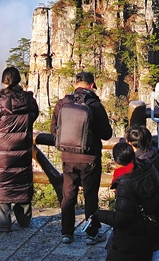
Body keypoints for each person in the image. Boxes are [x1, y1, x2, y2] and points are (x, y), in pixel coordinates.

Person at [51, 71, 113, 245]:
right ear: (92, 86)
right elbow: (107, 134)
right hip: (90, 158)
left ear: (75, 84)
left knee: (68, 196)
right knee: (90, 196)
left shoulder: (63, 103)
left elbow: (54, 130)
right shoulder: (94, 105)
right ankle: (91, 234)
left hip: (68, 158)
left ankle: (67, 233)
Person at [0, 67, 40, 232]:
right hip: (23, 147)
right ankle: (24, 219)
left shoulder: (0, 100)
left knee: (2, 182)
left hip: (3, 149)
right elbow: (34, 115)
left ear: (4, 81)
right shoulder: (28, 99)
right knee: (22, 180)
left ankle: (2, 222)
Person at [91, 142, 159, 261]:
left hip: (130, 238)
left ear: (116, 161)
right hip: (149, 229)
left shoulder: (124, 184)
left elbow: (121, 218)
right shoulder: (148, 169)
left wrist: (99, 215)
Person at [126, 125, 159, 261]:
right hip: (155, 204)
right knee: (153, 244)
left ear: (130, 144)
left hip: (141, 210)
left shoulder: (140, 165)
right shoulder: (155, 154)